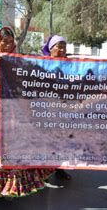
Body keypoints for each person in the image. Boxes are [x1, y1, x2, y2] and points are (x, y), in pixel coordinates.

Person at [0, 27, 51, 198]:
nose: (7, 44)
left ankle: (11, 183)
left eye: (10, 41)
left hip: (12, 108)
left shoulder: (18, 61)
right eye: (4, 41)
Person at [41, 35, 72, 180]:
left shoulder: (70, 65)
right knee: (46, 140)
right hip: (46, 108)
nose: (61, 50)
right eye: (58, 47)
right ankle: (43, 171)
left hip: (63, 108)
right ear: (50, 48)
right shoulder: (42, 64)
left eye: (63, 47)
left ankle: (60, 168)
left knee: (62, 140)